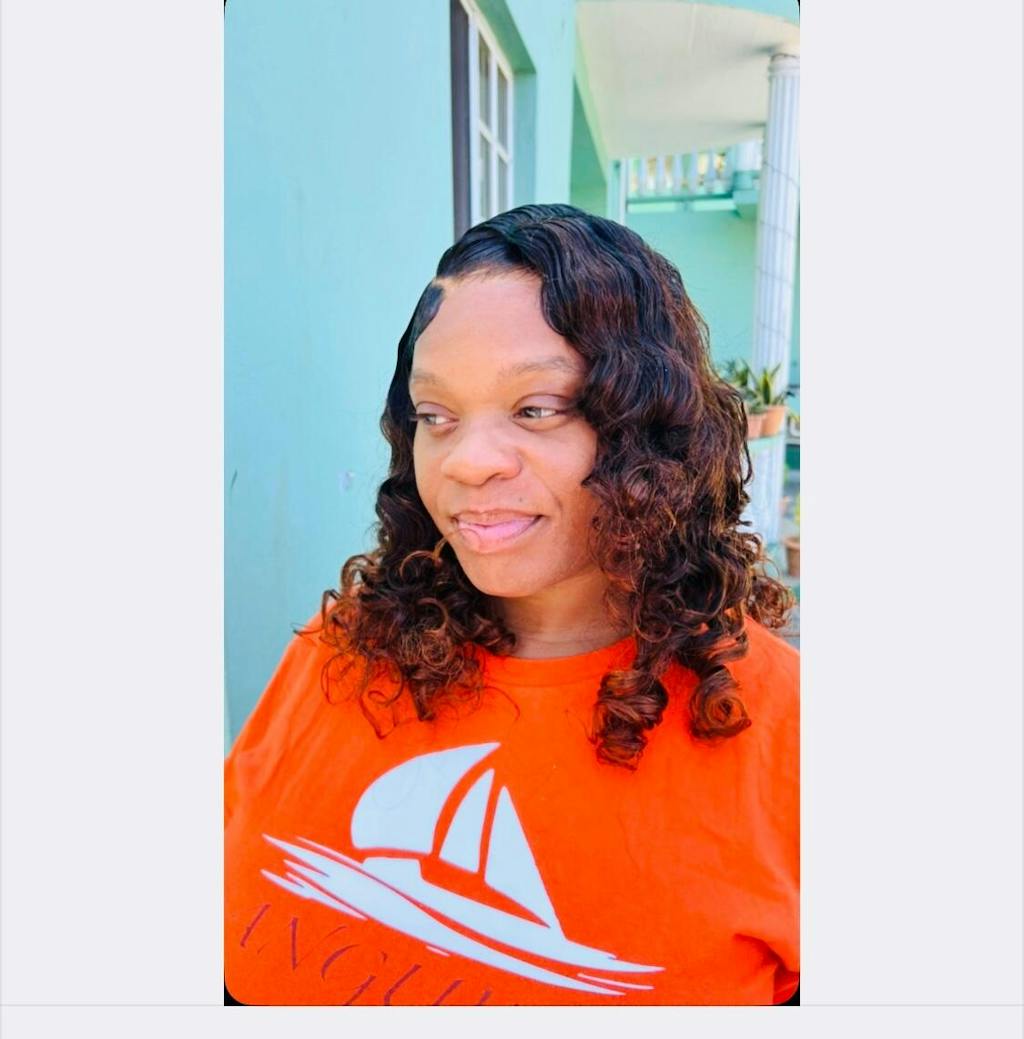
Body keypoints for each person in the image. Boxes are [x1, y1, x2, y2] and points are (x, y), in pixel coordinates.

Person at [224, 203, 799, 1006]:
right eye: (436, 416)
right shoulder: (333, 653)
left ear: (650, 430)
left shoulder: (788, 735)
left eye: (537, 408)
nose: (469, 461)